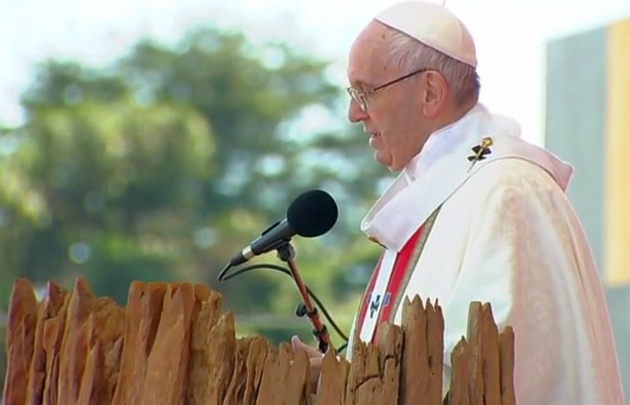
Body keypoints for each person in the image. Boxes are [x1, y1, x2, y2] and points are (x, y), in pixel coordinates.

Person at [292, 1, 625, 404]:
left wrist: (341, 385)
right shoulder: (437, 198)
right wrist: (335, 380)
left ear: (430, 91)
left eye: (365, 92)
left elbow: (472, 374)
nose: (352, 114)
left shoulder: (507, 194)